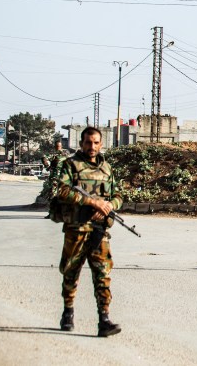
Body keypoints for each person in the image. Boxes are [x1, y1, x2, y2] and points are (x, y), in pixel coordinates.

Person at [54, 126, 124, 337]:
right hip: (76, 229)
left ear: (101, 144)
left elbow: (118, 195)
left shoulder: (107, 169)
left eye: (95, 143)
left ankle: (104, 319)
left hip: (99, 231)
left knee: (103, 274)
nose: (91, 146)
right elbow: (62, 191)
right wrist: (93, 202)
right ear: (81, 143)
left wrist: (108, 206)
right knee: (71, 272)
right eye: (87, 142)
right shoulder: (71, 165)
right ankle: (68, 312)